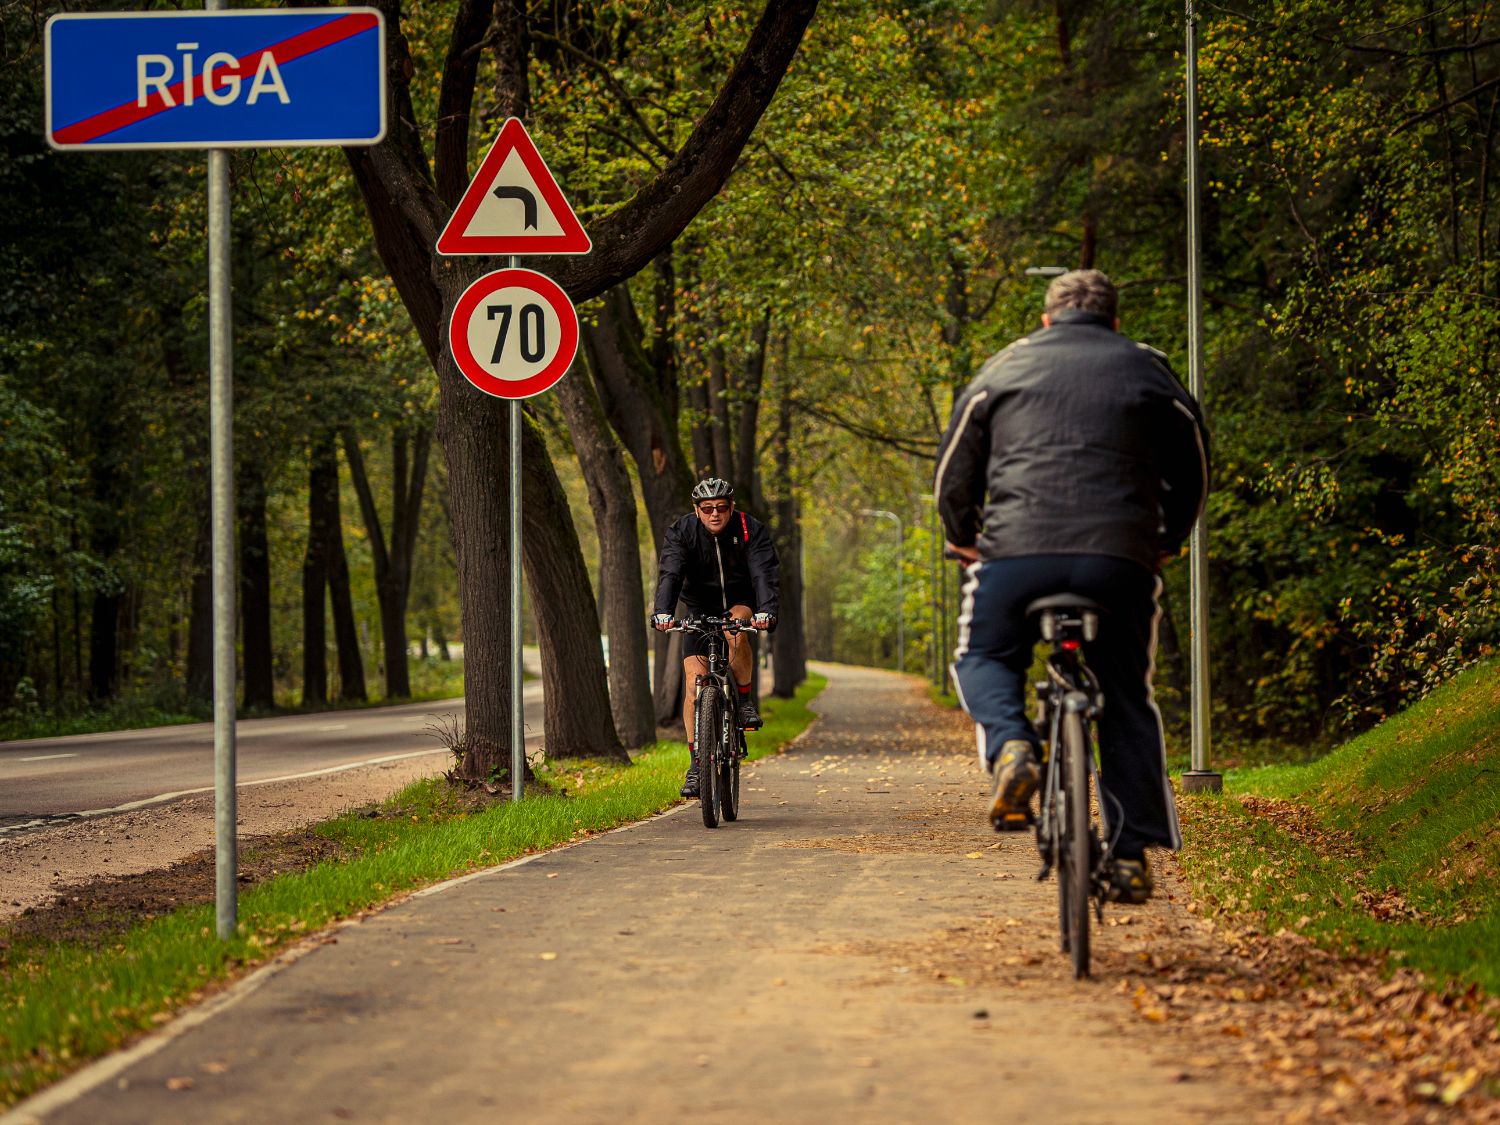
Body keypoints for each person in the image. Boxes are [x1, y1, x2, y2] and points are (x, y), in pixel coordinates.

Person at [933, 269, 1209, 904]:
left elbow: (953, 471)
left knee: (983, 656)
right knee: (1125, 694)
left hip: (1017, 554)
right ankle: (1131, 855)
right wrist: (1165, 538)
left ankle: (1012, 747)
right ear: (1114, 320)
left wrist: (963, 536)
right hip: (1119, 558)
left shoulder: (1003, 367)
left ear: (1046, 319)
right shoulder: (1150, 369)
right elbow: (1193, 465)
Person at [652, 478, 780, 798]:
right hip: (698, 606)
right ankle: (697, 765)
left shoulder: (750, 529)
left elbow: (763, 572)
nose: (714, 514)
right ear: (696, 510)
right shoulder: (682, 532)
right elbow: (670, 573)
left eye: (721, 507)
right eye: (707, 508)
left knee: (734, 630)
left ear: (731, 507)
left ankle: (745, 703)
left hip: (740, 600)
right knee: (693, 685)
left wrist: (766, 611)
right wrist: (663, 612)